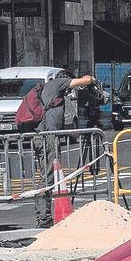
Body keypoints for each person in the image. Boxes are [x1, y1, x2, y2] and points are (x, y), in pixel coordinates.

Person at [34, 71, 97, 228]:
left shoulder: (53, 91)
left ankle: (44, 216)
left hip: (48, 137)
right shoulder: (56, 83)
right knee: (48, 177)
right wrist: (92, 80)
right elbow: (85, 80)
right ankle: (44, 218)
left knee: (48, 177)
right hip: (47, 138)